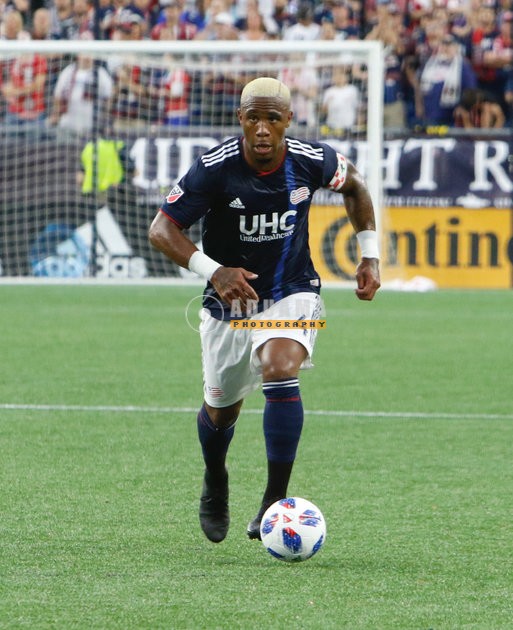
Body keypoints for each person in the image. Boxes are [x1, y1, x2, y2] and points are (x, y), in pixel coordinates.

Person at [148, 77, 380, 544]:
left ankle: (274, 500)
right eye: (252, 117)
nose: (261, 128)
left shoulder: (312, 160)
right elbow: (161, 229)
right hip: (228, 302)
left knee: (279, 367)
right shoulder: (214, 168)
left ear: (288, 120)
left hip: (292, 289)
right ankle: (216, 478)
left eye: (272, 118)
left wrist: (369, 255)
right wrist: (215, 271)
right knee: (220, 412)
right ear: (240, 118)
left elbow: (354, 185)